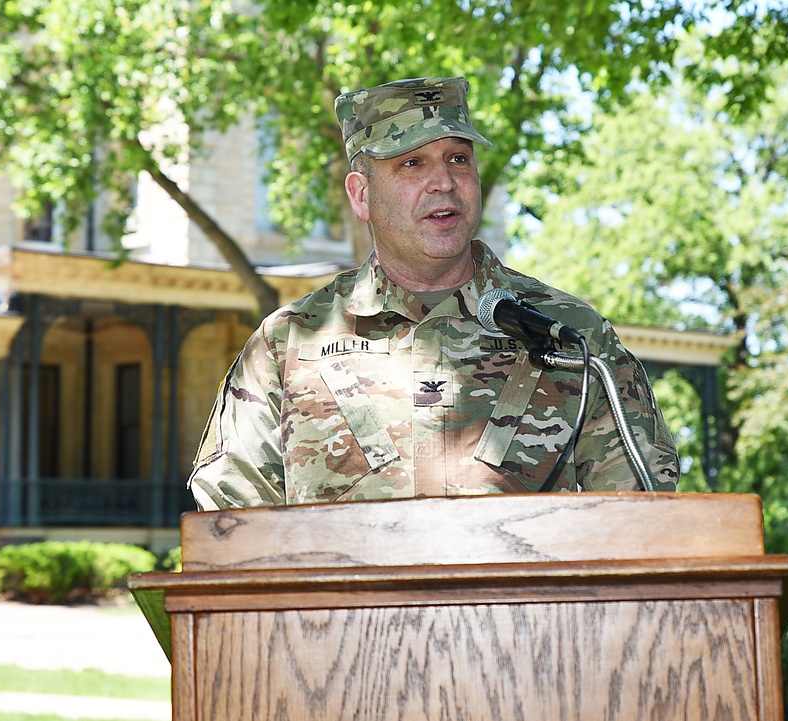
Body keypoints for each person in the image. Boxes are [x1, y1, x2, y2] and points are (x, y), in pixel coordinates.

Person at [189, 76, 679, 511]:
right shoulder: (288, 344)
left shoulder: (570, 337)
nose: (443, 181)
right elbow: (233, 530)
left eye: (458, 159)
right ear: (361, 195)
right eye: (411, 163)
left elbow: (639, 518)